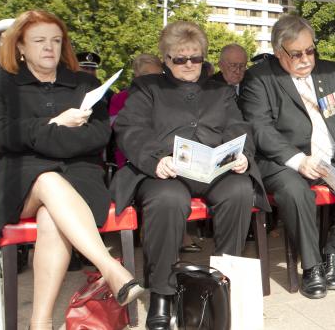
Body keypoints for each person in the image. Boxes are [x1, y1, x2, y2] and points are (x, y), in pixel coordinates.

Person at [0, 10, 144, 329]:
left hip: (79, 177)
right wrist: (54, 125)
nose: (50, 47)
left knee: (51, 218)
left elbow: (98, 135)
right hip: (19, 179)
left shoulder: (85, 82)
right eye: (40, 40)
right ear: (19, 46)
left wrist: (38, 138)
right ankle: (110, 268)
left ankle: (40, 323)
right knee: (47, 179)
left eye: (56, 40)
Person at [113, 21, 267, 329]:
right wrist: (155, 159)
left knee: (239, 190)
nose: (188, 64)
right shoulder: (149, 88)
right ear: (166, 59)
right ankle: (162, 293)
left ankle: (221, 283)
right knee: (168, 199)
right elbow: (129, 129)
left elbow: (239, 127)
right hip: (166, 170)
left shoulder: (219, 90)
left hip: (212, 168)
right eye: (179, 58)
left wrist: (242, 155)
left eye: (195, 58)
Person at [239, 16, 335, 299]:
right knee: (295, 190)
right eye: (296, 54)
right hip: (284, 161)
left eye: (310, 51)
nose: (306, 59)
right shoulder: (260, 78)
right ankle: (311, 266)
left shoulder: (332, 73)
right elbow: (259, 128)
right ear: (279, 53)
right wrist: (298, 159)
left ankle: (332, 252)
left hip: (331, 158)